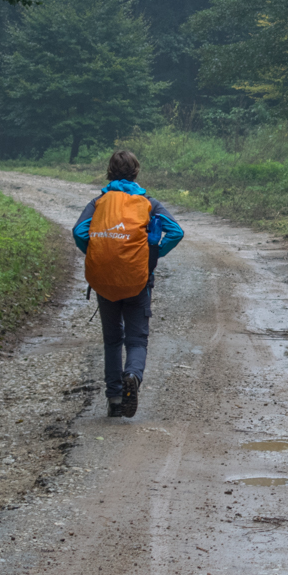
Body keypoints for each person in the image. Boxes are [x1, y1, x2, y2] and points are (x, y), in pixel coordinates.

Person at [73, 150, 184, 418]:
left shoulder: (99, 202)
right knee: (136, 340)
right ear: (136, 172)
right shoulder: (147, 202)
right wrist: (149, 254)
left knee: (112, 340)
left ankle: (113, 400)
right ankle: (132, 375)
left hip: (105, 283)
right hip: (137, 281)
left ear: (109, 172)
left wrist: (98, 254)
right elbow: (176, 231)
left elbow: (78, 232)